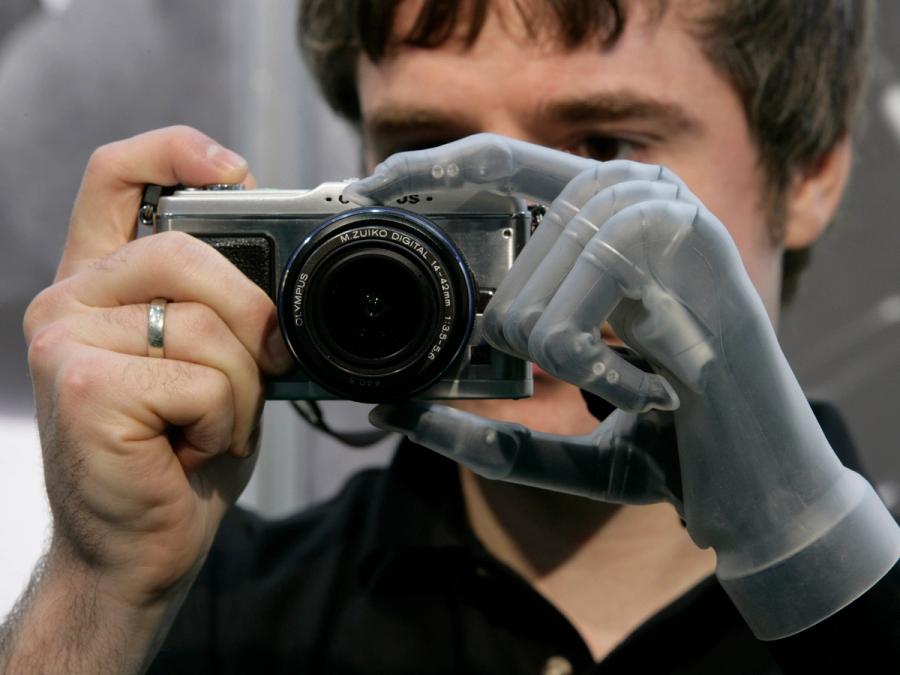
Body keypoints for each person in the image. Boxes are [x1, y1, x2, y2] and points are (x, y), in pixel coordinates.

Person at [1, 1, 897, 673]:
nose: (505, 245)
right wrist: (100, 593)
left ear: (811, 170)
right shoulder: (203, 611)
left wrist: (813, 562)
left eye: (602, 150)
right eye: (430, 152)